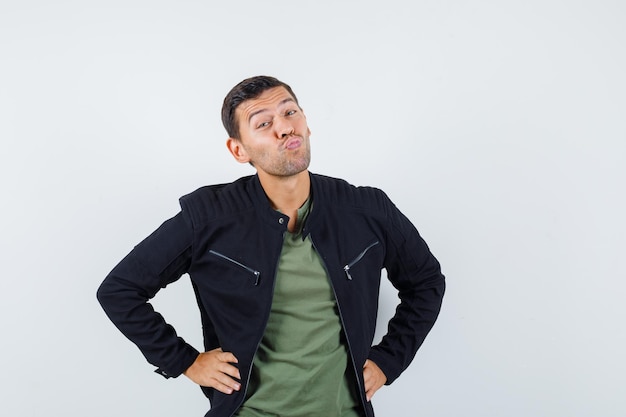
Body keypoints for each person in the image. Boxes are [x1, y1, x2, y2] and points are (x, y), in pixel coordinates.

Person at [97, 75, 445, 417]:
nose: (284, 128)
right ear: (238, 149)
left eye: (290, 113)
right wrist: (185, 361)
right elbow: (120, 290)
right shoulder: (208, 217)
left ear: (306, 124)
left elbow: (426, 282)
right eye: (263, 123)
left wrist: (388, 360)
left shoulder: (366, 208)